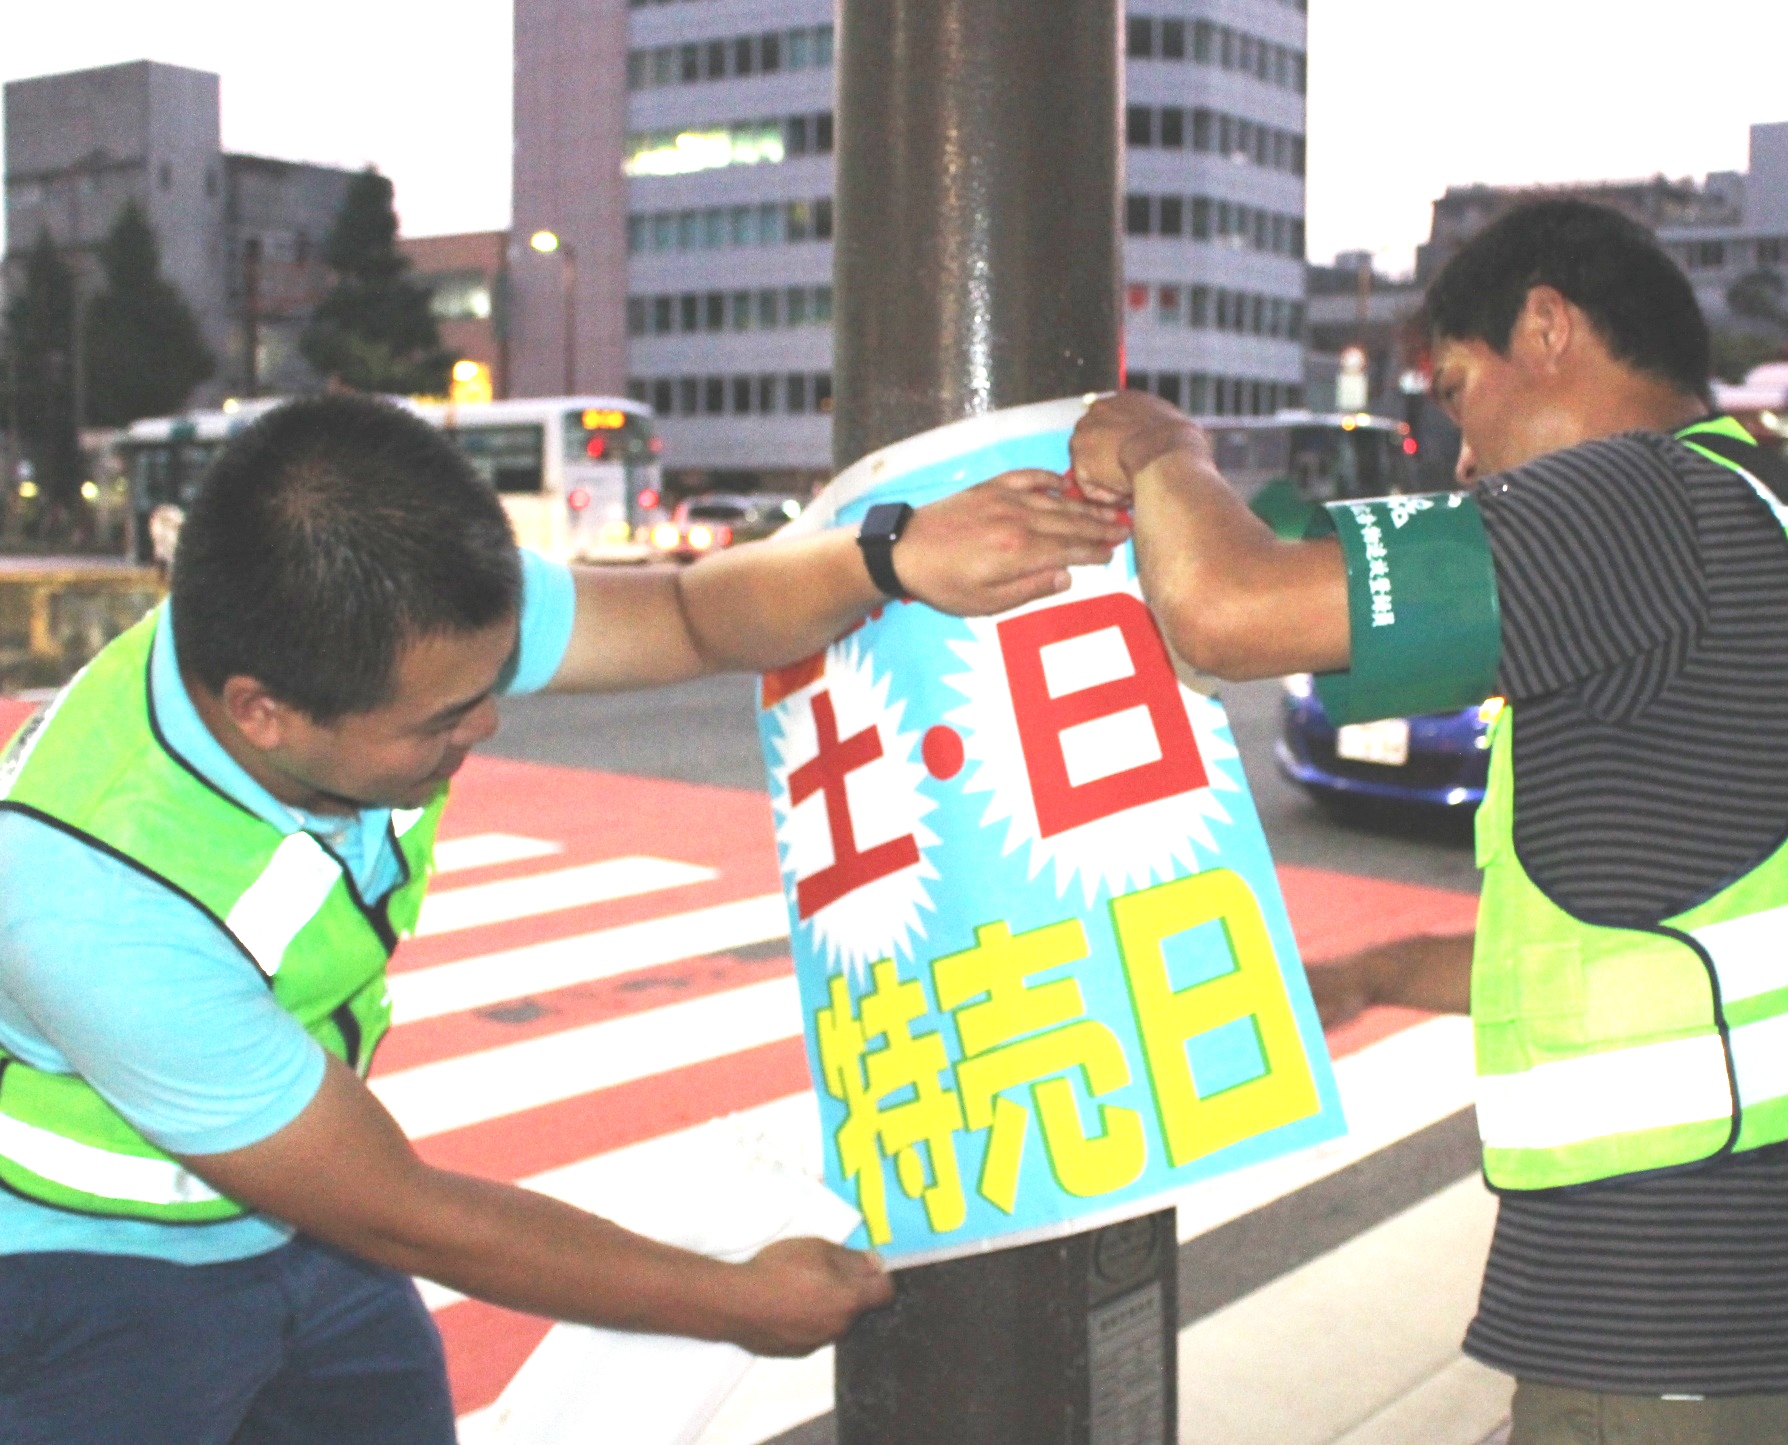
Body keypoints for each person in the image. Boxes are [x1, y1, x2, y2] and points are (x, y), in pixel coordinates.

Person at [0, 393, 1128, 1442]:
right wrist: (732, 1301)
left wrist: (884, 555)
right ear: (265, 711)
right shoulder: (94, 904)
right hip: (89, 1278)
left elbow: (687, 614)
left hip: (303, 1226)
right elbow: (407, 1211)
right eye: (443, 719)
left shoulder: (377, 611)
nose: (487, 722)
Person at [1068, 200, 1788, 1443]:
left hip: (1669, 1329)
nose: (1457, 455)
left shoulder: (1640, 498)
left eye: (1457, 391)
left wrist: (1160, 448)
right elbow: (1667, 949)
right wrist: (1371, 974)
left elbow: (1224, 610)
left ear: (1548, 326)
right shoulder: (1773, 518)